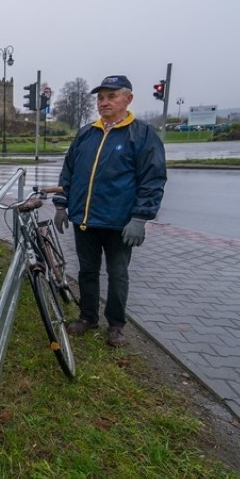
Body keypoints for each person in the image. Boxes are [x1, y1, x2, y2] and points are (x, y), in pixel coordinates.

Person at [52, 75, 166, 348]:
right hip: (86, 220)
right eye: (101, 97)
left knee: (118, 275)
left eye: (111, 96)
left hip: (119, 223)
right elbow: (69, 171)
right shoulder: (86, 133)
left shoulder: (142, 134)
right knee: (87, 272)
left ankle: (116, 325)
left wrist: (140, 218)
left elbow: (153, 178)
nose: (104, 102)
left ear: (128, 99)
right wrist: (61, 205)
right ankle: (88, 317)